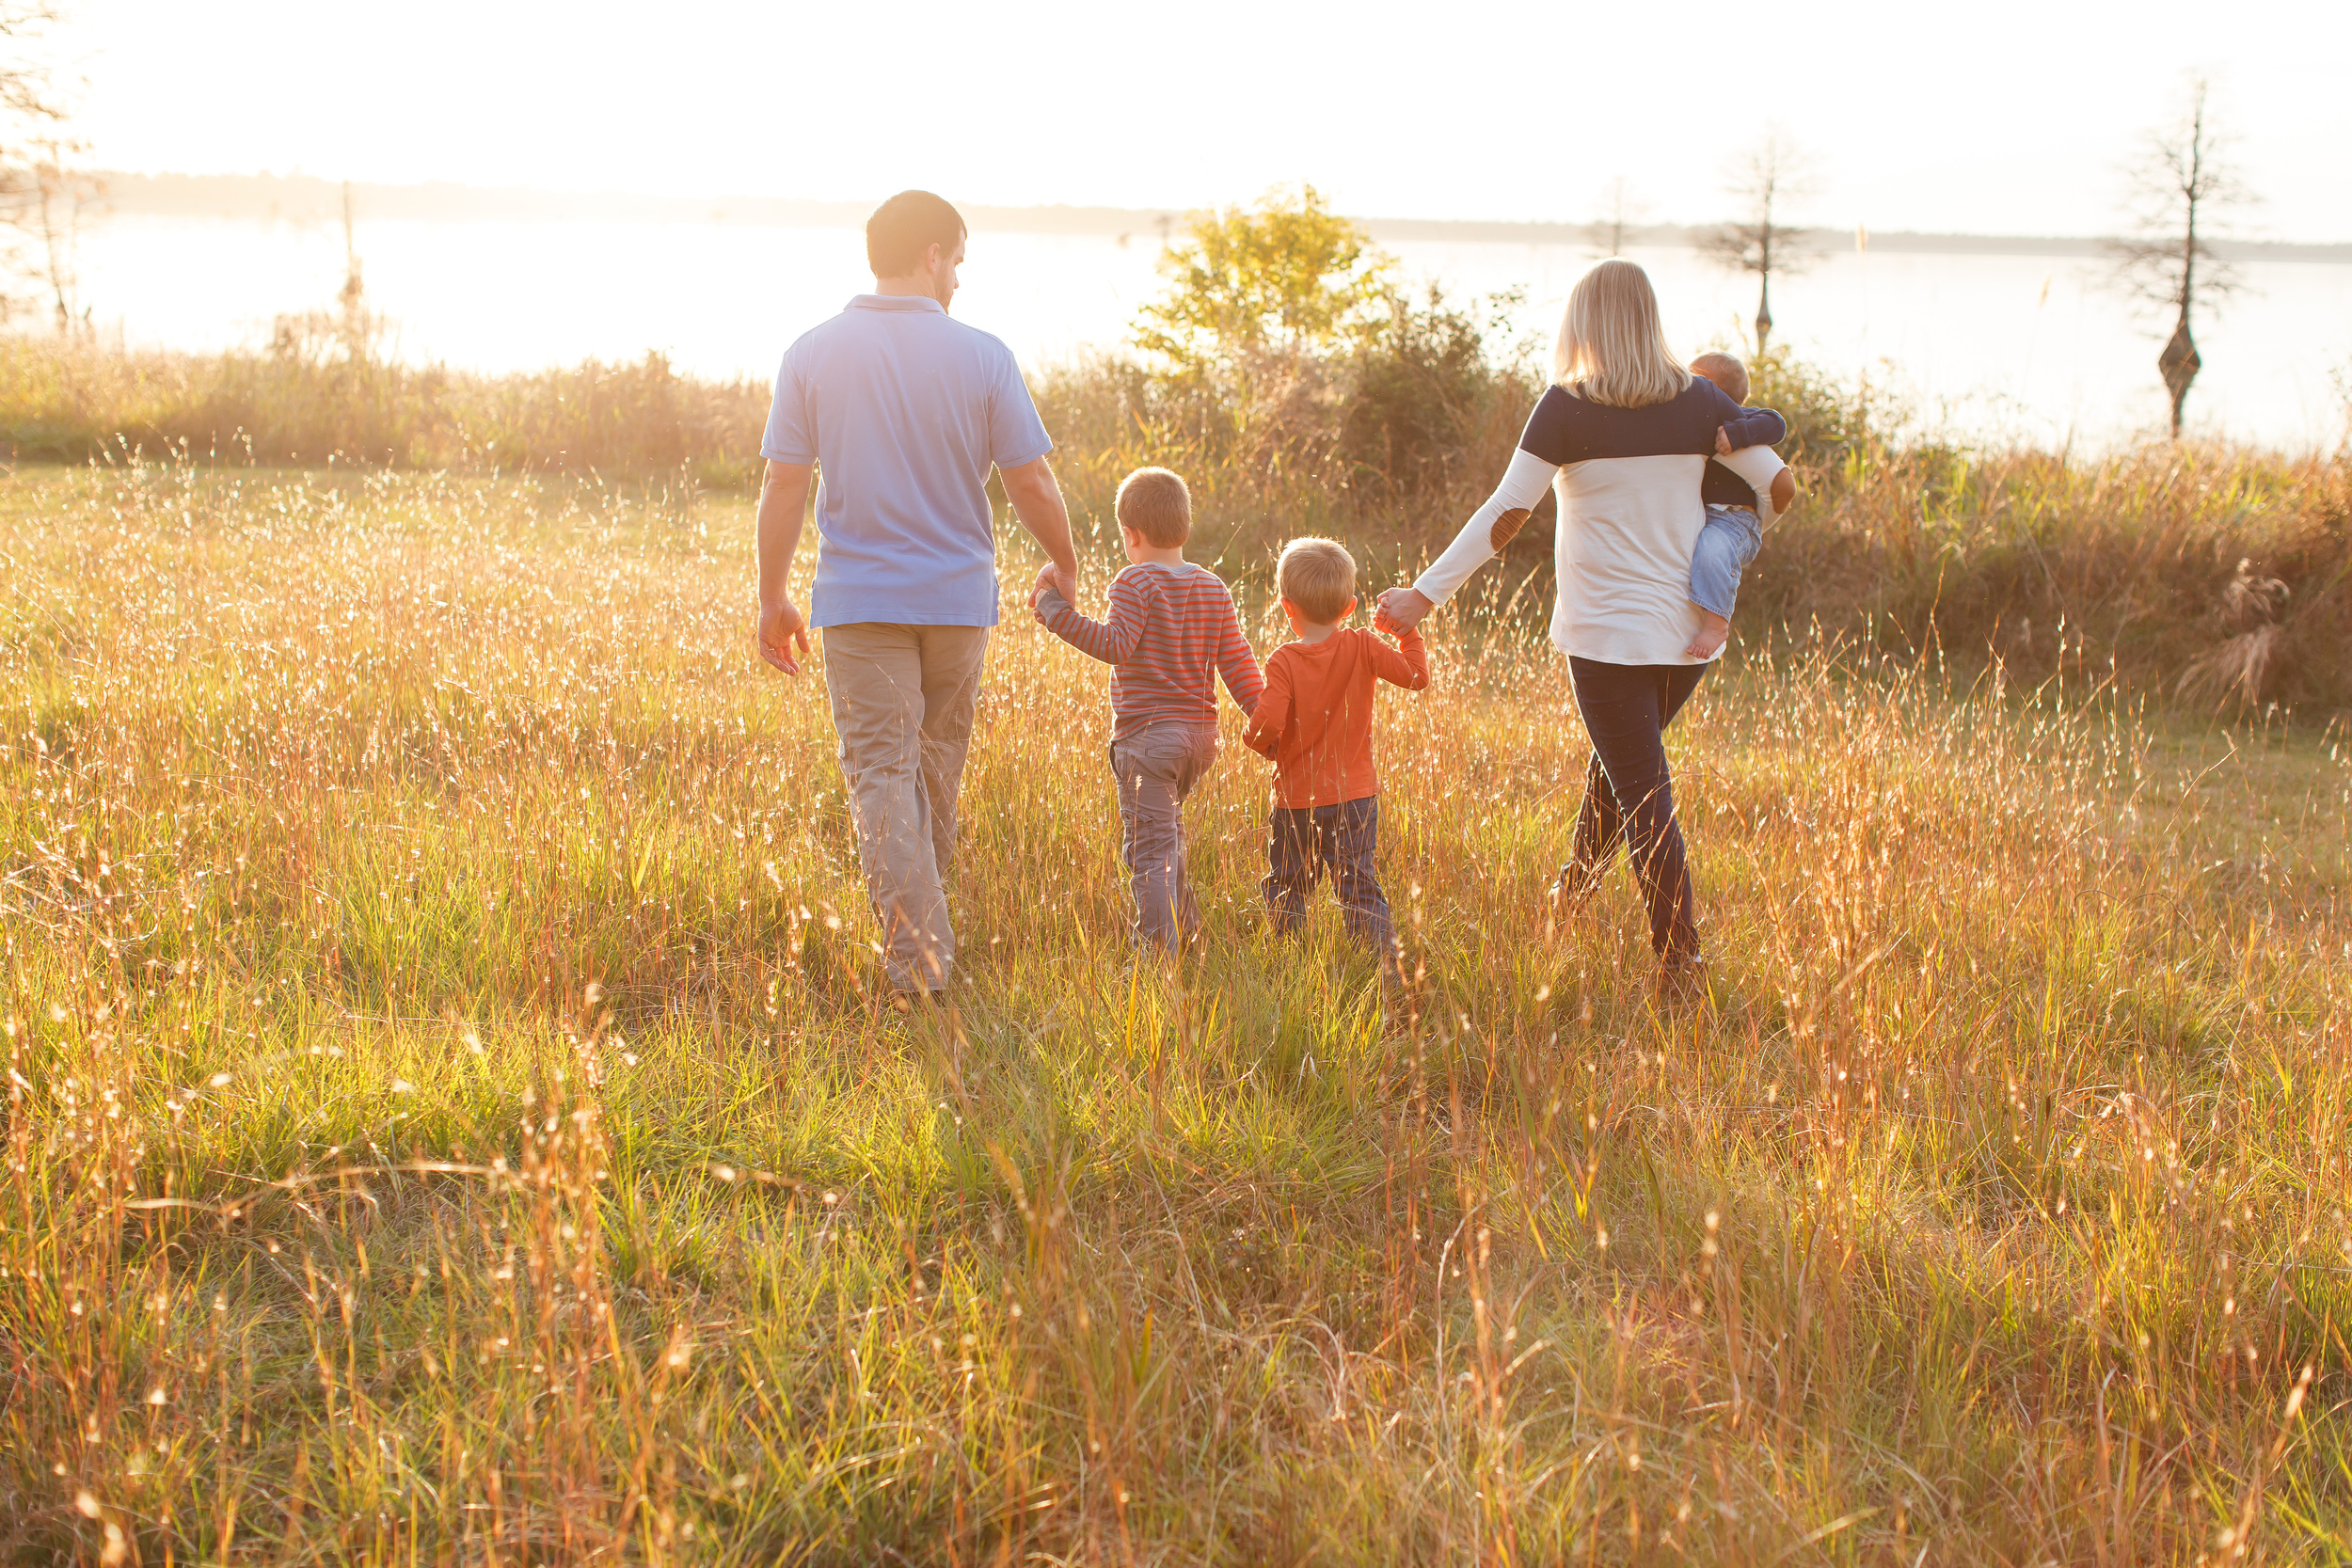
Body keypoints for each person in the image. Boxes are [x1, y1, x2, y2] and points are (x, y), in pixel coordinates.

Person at [1374, 259, 1785, 995]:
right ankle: (1572, 890)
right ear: (1649, 318)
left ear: (1584, 321)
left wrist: (1424, 595)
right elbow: (1778, 486)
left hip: (1603, 637)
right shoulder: (1702, 401)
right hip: (1686, 636)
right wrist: (1734, 534)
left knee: (1642, 788)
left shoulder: (1566, 406)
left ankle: (1680, 963)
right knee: (1626, 768)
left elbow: (1507, 513)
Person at [755, 190, 1082, 1001]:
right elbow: (1030, 478)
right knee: (931, 766)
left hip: (861, 600)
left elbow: (784, 481)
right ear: (932, 253)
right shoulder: (983, 355)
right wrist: (1066, 563)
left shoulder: (812, 351)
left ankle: (922, 961)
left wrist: (772, 595)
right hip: (958, 600)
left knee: (882, 771)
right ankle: (931, 943)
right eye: (959, 261)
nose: (960, 281)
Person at [1033, 467, 1263, 953]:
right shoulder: (1212, 587)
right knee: (1169, 838)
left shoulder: (1134, 582)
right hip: (1199, 742)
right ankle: (1191, 936)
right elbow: (1238, 664)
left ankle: (1159, 957)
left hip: (1148, 742)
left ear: (1130, 534)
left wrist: (1056, 613)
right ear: (1183, 526)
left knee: (1151, 851)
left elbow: (1116, 644)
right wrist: (1264, 716)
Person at [1244, 536, 1428, 963]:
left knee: (1288, 881)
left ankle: (1290, 957)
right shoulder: (1364, 646)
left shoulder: (1283, 661)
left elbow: (1265, 725)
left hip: (1296, 800)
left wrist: (1261, 745)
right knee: (1358, 884)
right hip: (1357, 797)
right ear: (1350, 606)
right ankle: (1380, 962)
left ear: (1286, 606)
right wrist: (1408, 631)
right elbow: (1417, 677)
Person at [1683, 351, 1800, 659]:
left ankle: (1717, 624)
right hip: (1705, 516)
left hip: (1733, 521)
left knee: (1712, 549)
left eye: (1694, 377)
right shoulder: (1692, 424)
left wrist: (1738, 434)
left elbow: (1777, 423)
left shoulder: (1740, 419)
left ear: (1712, 388)